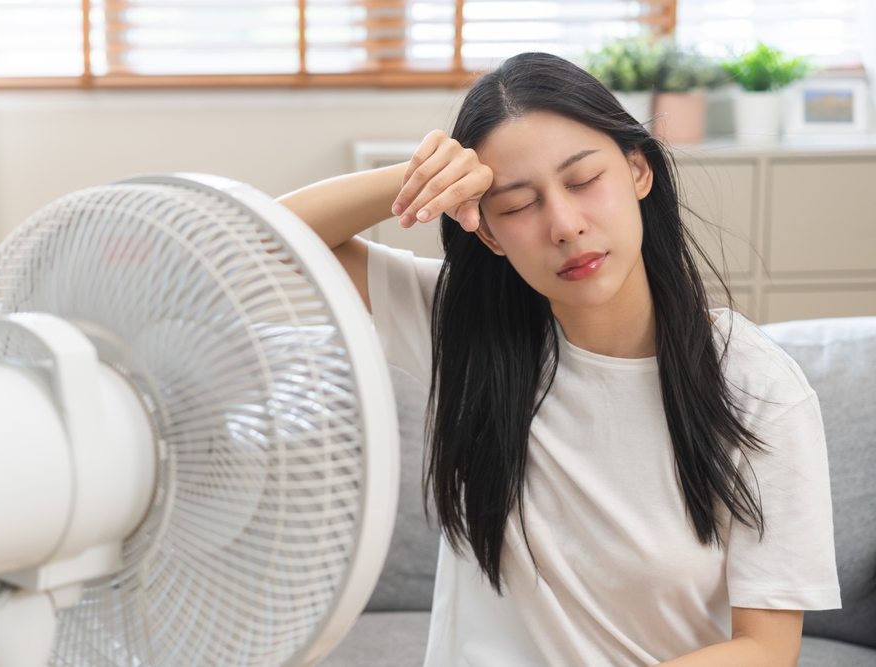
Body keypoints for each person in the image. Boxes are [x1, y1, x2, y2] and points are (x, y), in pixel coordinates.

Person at [278, 52, 840, 666]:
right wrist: (417, 177)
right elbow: (253, 241)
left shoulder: (758, 389)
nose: (565, 225)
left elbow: (766, 649)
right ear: (488, 233)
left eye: (583, 181)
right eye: (518, 205)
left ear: (638, 171)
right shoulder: (465, 331)